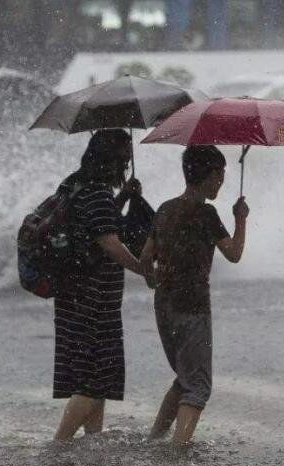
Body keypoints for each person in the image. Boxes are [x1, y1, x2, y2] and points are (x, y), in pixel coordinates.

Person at [139, 145, 249, 448]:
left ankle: (154, 439)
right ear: (210, 175)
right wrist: (240, 218)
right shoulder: (206, 213)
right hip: (193, 306)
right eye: (221, 176)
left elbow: (145, 257)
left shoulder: (164, 209)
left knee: (184, 377)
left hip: (164, 305)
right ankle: (176, 454)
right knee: (198, 386)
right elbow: (235, 254)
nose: (222, 182)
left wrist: (152, 282)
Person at [52, 129, 143, 441]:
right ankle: (59, 445)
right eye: (125, 159)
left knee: (97, 375)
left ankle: (93, 440)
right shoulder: (97, 193)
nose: (127, 165)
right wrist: (146, 271)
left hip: (72, 296)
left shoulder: (75, 185)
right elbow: (109, 242)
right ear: (113, 160)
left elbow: (91, 226)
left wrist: (123, 198)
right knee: (95, 378)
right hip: (93, 300)